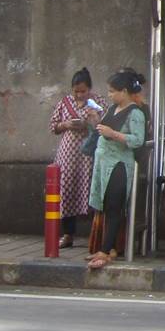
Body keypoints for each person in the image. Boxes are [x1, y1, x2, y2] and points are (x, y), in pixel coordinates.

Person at [85, 71, 146, 270]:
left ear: (124, 91)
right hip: (103, 163)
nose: (109, 95)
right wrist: (95, 121)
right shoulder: (113, 109)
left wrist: (113, 134)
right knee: (104, 205)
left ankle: (105, 251)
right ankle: (108, 247)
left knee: (113, 207)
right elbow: (102, 131)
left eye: (112, 91)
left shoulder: (135, 113)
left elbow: (137, 140)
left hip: (118, 164)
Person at [49, 67, 96, 248]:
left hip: (89, 155)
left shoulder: (97, 102)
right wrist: (66, 124)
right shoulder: (64, 102)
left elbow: (105, 123)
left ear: (89, 89)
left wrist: (91, 121)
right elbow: (53, 126)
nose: (79, 95)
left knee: (90, 190)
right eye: (76, 91)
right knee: (66, 190)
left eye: (83, 91)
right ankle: (68, 234)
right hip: (68, 154)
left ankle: (95, 234)